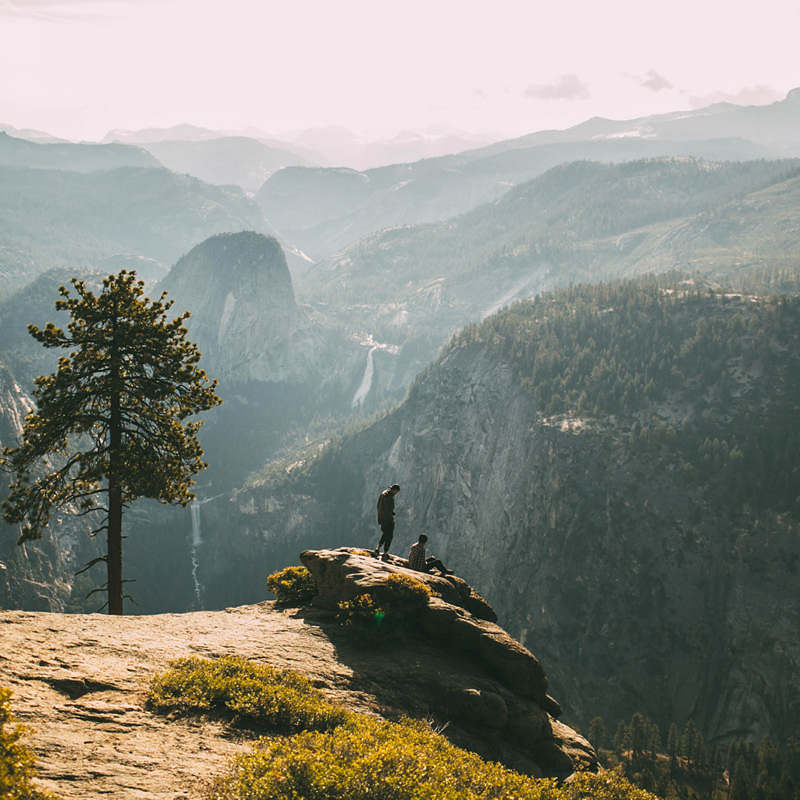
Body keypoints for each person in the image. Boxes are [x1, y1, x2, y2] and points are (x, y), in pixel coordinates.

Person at [374, 483, 400, 558]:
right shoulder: (388, 496)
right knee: (389, 536)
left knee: (385, 534)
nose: (396, 494)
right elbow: (387, 509)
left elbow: (380, 506)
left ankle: (378, 549)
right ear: (395, 490)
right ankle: (385, 552)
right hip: (387, 519)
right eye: (396, 492)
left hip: (382, 518)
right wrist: (391, 518)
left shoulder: (384, 494)